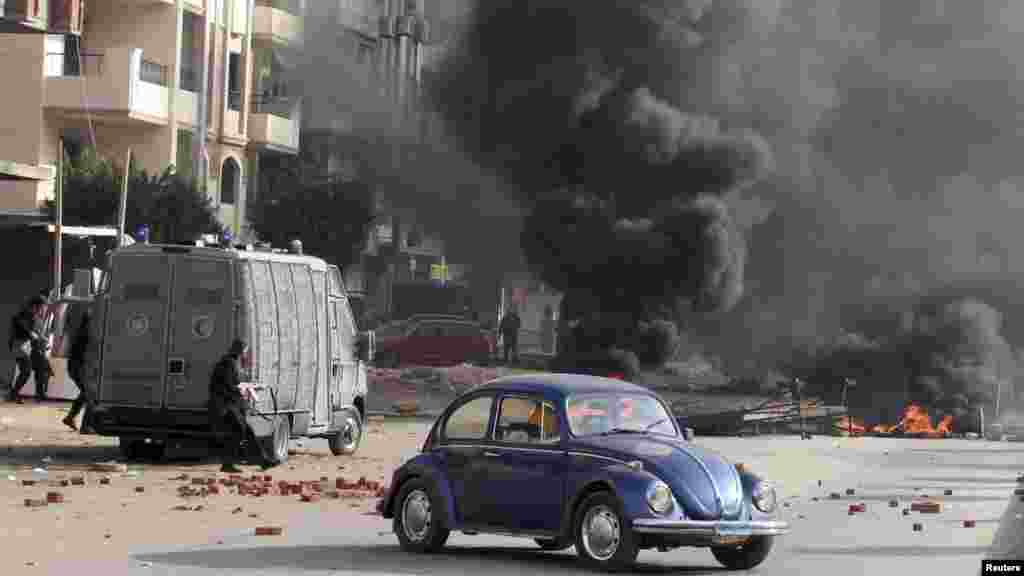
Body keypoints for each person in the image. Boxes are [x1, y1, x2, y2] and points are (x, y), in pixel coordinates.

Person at [208, 339, 270, 472]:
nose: (245, 355)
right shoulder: (229, 364)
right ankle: (229, 464)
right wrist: (246, 389)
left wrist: (247, 388)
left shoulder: (228, 362)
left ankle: (263, 461)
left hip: (228, 405)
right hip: (226, 406)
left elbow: (231, 384)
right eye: (245, 352)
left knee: (245, 431)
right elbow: (229, 386)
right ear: (240, 351)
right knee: (240, 431)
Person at [7, 297, 49, 404]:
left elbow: (35, 333)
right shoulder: (23, 314)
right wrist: (31, 333)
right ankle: (13, 394)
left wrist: (41, 338)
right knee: (26, 370)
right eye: (42, 308)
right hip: (19, 345)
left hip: (29, 346)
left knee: (41, 366)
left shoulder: (35, 317)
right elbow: (19, 322)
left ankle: (39, 395)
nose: (43, 310)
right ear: (35, 306)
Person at [62, 309, 91, 430]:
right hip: (78, 367)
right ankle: (85, 426)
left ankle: (71, 417)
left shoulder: (84, 331)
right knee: (90, 393)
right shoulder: (88, 333)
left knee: (87, 393)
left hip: (75, 367)